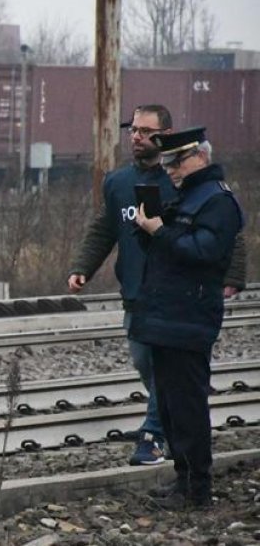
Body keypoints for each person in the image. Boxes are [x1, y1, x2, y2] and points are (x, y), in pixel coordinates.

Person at [66, 105, 249, 467]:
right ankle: (175, 426)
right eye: (133, 130)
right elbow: (104, 228)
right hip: (136, 288)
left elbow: (228, 231)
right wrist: (82, 267)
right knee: (145, 361)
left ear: (164, 135)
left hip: (174, 294)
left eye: (146, 131)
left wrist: (233, 275)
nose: (137, 137)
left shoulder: (182, 183)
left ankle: (155, 436)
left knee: (167, 367)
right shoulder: (118, 183)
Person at [131, 127, 243, 510]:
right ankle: (183, 478)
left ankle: (198, 489)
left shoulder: (217, 201)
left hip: (189, 317)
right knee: (170, 407)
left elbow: (205, 253)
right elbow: (170, 252)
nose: (171, 170)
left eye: (176, 162)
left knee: (189, 407)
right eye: (166, 163)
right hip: (166, 316)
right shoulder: (185, 197)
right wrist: (148, 231)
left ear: (200, 157)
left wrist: (160, 232)